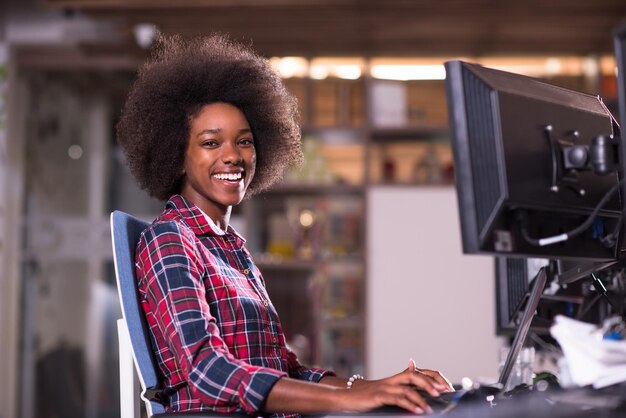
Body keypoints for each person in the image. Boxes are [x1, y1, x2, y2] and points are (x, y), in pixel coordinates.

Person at [116, 33, 453, 417]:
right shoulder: (170, 239)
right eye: (211, 143)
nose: (233, 156)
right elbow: (206, 370)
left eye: (244, 142)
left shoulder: (232, 249)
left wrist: (371, 387)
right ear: (177, 156)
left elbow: (286, 369)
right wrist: (347, 400)